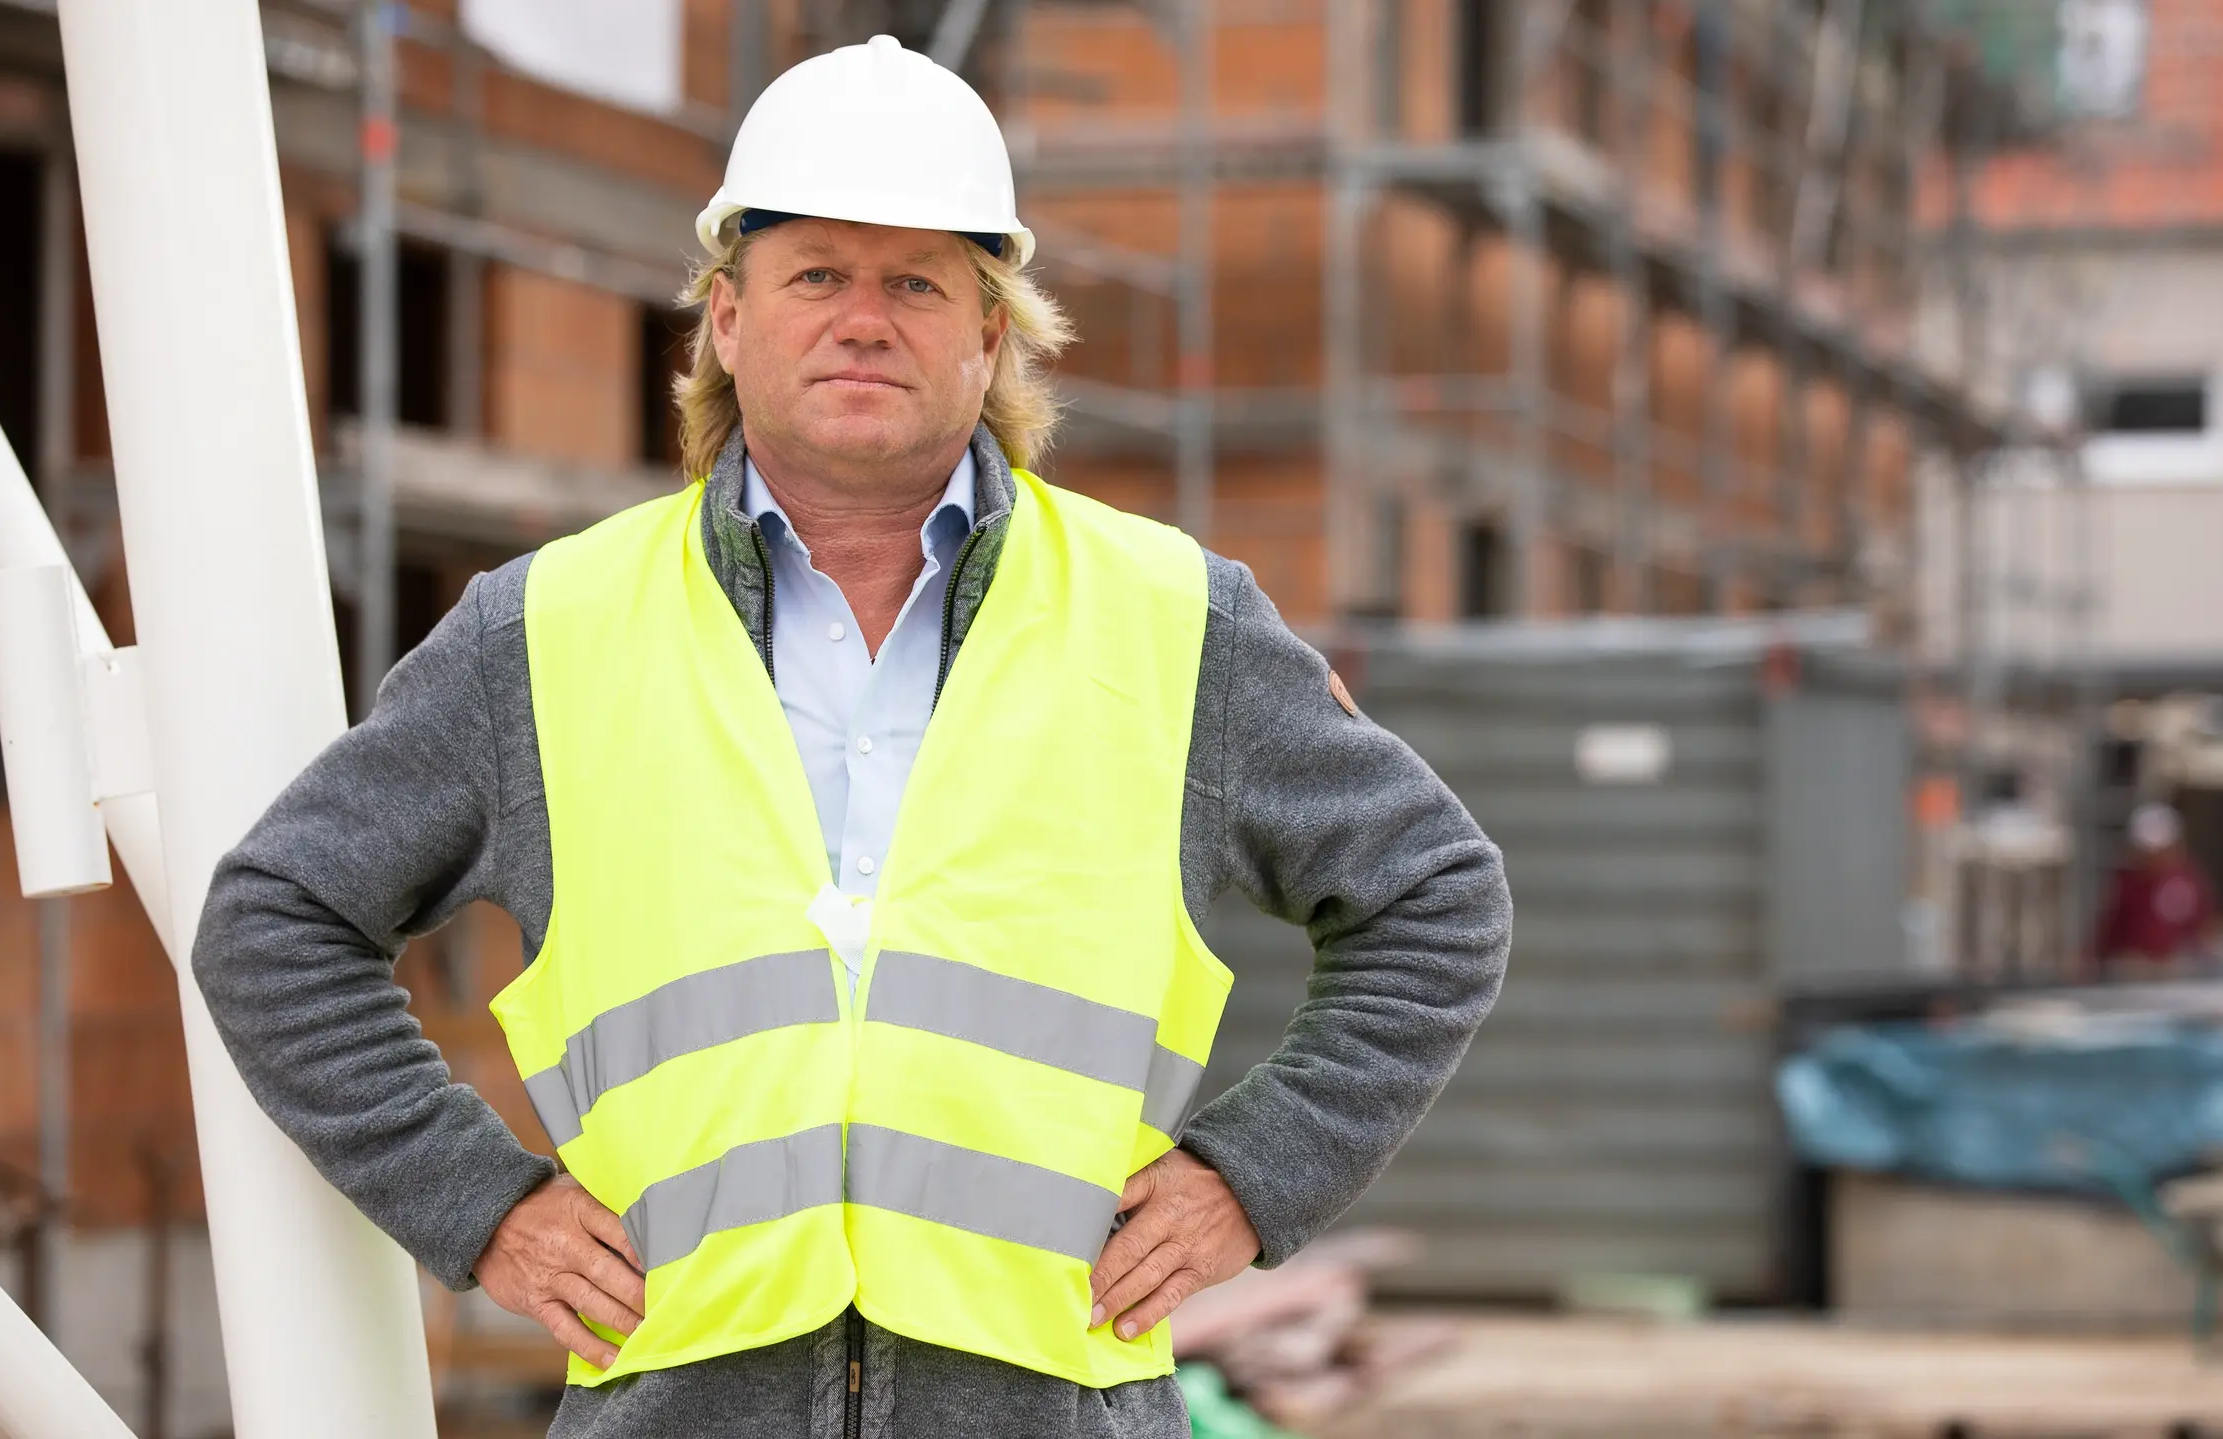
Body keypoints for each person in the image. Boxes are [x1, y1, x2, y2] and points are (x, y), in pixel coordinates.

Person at [191, 35, 1510, 1439]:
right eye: (814, 272)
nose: (863, 319)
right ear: (725, 320)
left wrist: (1256, 1173)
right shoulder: (544, 630)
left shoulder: (1172, 620)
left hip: (1048, 1399)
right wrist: (479, 1201)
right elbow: (277, 917)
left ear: (989, 334)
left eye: (917, 282)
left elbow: (1434, 894)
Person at [2089, 801, 2223, 970]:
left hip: (2179, 976)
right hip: (2133, 977)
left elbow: (2207, 927)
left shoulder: (2189, 881)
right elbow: (2109, 931)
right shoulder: (2127, 881)